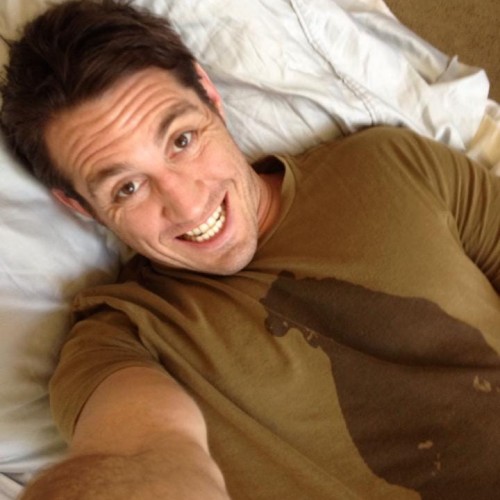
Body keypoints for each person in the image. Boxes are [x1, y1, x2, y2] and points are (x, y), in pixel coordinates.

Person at [1, 0, 499, 498]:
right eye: (127, 188)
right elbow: (134, 455)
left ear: (211, 95)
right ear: (81, 206)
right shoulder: (121, 339)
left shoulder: (390, 164)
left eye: (182, 140)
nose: (187, 204)